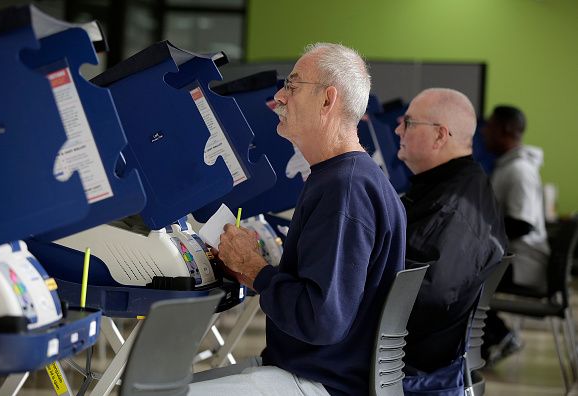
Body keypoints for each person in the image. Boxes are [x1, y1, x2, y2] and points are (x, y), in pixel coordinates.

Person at [188, 43, 407, 396]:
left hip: (320, 383)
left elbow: (321, 319)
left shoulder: (344, 189)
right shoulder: (350, 177)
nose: (279, 96)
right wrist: (250, 269)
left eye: (292, 86)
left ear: (327, 100)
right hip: (316, 370)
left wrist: (256, 269)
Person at [394, 88, 507, 394]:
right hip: (422, 356)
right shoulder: (456, 188)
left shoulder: (452, 208)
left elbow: (426, 297)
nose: (397, 129)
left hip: (408, 364)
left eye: (407, 122)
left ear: (440, 136)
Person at [481, 105, 550, 364]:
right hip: (516, 258)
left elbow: (522, 224)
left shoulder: (520, 170)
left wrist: (480, 238)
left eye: (490, 126)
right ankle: (491, 340)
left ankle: (498, 337)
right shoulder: (510, 166)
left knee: (462, 278)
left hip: (524, 262)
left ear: (506, 130)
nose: (485, 131)